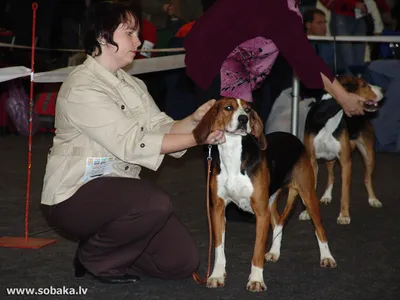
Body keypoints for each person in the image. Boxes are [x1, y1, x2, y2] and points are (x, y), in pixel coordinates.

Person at [40, 2, 225, 284]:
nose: (138, 40)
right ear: (103, 38)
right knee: (153, 202)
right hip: (72, 195)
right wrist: (197, 138)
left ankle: (103, 245)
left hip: (118, 193)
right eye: (130, 33)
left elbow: (162, 127)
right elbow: (133, 144)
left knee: (181, 262)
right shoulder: (82, 86)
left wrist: (196, 120)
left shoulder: (133, 85)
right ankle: (98, 260)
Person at [184, 0, 370, 119]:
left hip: (221, 60)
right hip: (219, 64)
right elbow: (306, 60)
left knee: (233, 138)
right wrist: (343, 97)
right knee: (227, 139)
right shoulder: (280, 8)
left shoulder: (284, 7)